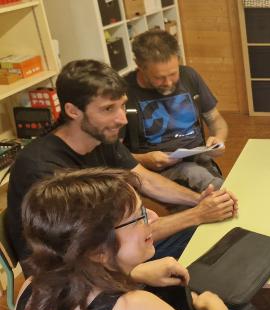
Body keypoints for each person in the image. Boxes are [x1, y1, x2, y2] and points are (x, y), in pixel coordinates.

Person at [5, 59, 237, 271]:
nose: (122, 119)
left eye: (122, 106)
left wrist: (198, 200)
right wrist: (197, 215)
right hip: (76, 280)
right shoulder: (41, 168)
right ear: (73, 111)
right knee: (206, 248)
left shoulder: (100, 138)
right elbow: (107, 243)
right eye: (108, 109)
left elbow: (144, 178)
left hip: (114, 250)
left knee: (211, 235)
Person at [13, 168, 243, 310]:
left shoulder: (30, 288)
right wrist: (215, 304)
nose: (153, 217)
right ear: (97, 250)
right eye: (139, 216)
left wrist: (137, 272)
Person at [124, 29, 227, 191]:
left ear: (178, 60)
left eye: (173, 74)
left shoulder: (189, 76)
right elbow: (111, 152)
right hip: (158, 169)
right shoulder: (123, 92)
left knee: (210, 184)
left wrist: (219, 139)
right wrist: (143, 159)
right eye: (159, 77)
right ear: (139, 66)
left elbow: (215, 119)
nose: (168, 82)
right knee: (205, 183)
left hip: (198, 156)